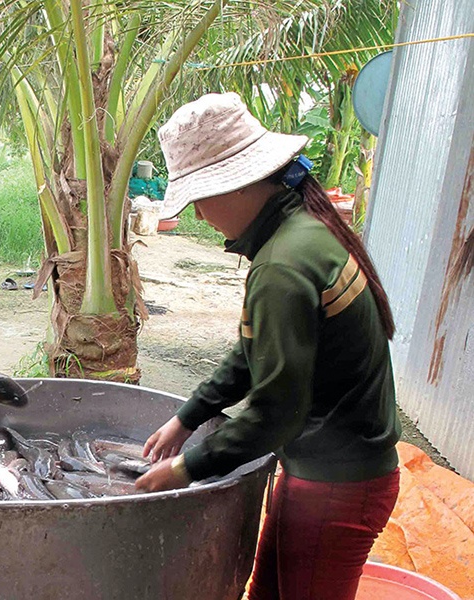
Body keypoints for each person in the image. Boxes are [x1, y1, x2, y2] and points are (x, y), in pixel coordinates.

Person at [135, 92, 400, 600]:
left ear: (238, 185)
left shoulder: (283, 264)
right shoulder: (301, 228)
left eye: (200, 200)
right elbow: (253, 352)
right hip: (324, 471)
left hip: (338, 484)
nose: (200, 216)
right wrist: (189, 415)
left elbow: (277, 409)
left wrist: (187, 468)